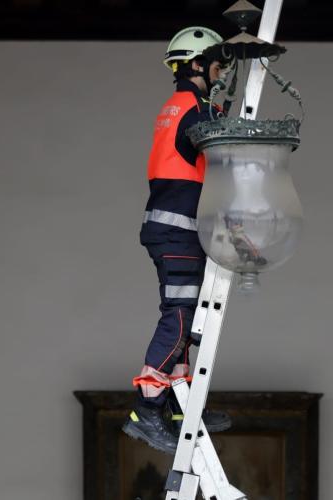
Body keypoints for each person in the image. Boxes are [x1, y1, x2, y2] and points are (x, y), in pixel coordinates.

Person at [122, 26, 232, 455]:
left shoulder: (179, 105)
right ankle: (148, 405)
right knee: (181, 315)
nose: (221, 73)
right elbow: (225, 149)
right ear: (198, 64)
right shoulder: (195, 110)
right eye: (218, 65)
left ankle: (181, 406)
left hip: (175, 229)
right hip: (178, 231)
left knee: (188, 315)